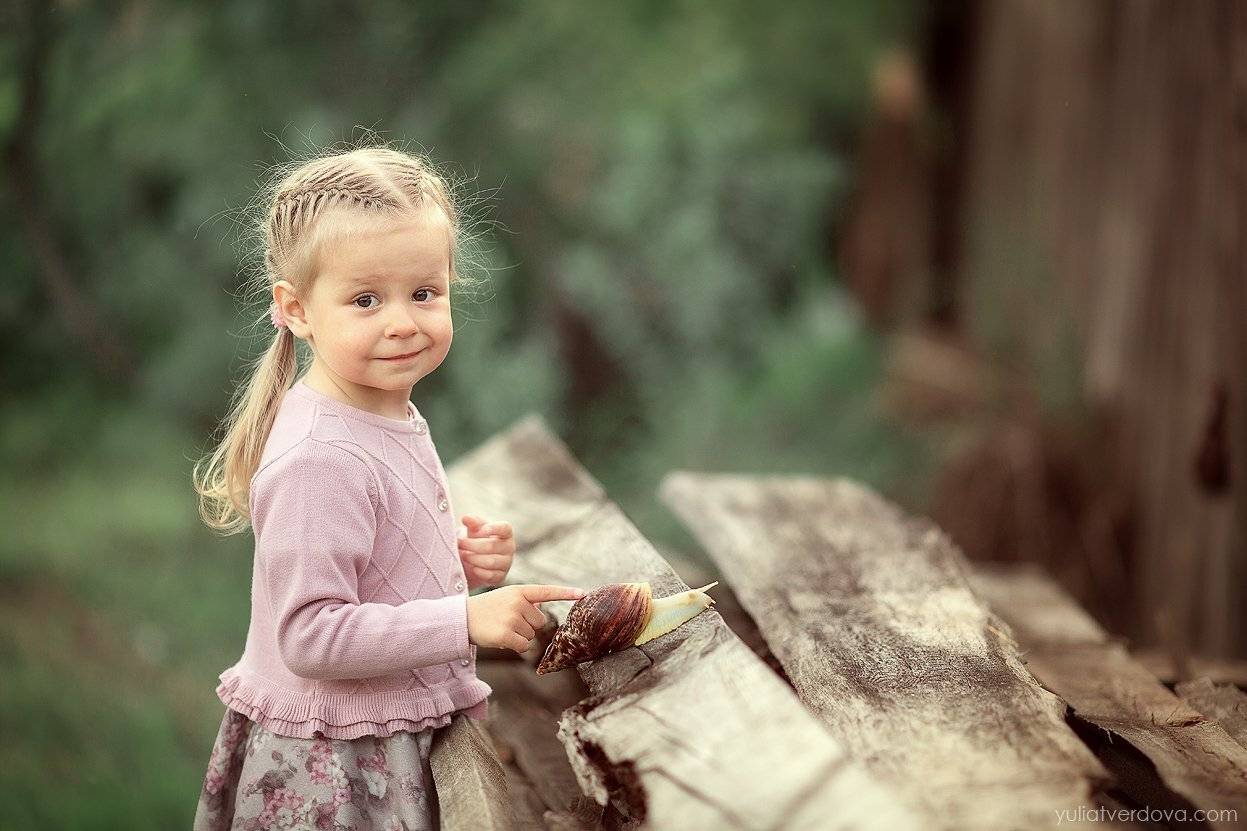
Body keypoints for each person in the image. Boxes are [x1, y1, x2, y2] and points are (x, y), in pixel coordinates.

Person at [189, 144, 585, 830]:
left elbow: (367, 571)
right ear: (298, 308)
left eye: (424, 293)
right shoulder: (319, 456)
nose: (402, 320)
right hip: (337, 767)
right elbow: (311, 635)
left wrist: (454, 566)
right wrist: (464, 618)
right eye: (366, 299)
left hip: (379, 738)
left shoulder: (381, 406)